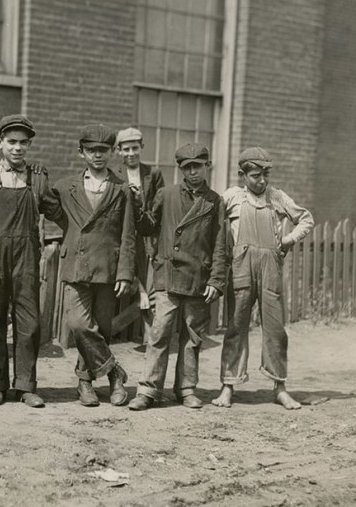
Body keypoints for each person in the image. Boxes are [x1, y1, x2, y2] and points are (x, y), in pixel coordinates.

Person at [212, 147, 314, 410]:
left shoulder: (277, 197)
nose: (262, 181)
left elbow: (306, 219)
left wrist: (289, 240)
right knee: (236, 327)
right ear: (242, 174)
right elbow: (212, 221)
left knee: (275, 329)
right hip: (241, 268)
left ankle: (280, 387)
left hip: (271, 268)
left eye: (265, 175)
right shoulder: (232, 197)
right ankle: (228, 385)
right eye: (256, 175)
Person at [129, 144, 227, 411]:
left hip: (198, 278)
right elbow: (147, 226)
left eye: (198, 166)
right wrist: (138, 205)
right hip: (168, 276)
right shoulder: (167, 194)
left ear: (207, 166)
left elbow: (220, 244)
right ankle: (148, 391)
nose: (193, 172)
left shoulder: (215, 201)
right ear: (181, 169)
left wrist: (217, 280)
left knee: (193, 337)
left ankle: (186, 389)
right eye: (187, 168)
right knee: (159, 334)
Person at [0, 114, 61, 408]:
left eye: (24, 143)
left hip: (26, 258)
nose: (18, 148)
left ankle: (26, 385)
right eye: (11, 142)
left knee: (29, 323)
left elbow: (56, 210)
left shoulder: (37, 177)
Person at [51, 123, 136, 407]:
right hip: (77, 265)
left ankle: (85, 382)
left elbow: (128, 233)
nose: (97, 155)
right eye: (91, 150)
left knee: (101, 327)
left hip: (107, 268)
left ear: (112, 152)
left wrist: (125, 272)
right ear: (81, 153)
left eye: (103, 150)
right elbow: (51, 210)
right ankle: (114, 372)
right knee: (78, 324)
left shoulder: (122, 189)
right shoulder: (65, 187)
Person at [114, 127, 165, 327]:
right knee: (129, 272)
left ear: (141, 147)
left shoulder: (153, 173)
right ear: (119, 151)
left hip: (148, 234)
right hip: (124, 233)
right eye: (126, 149)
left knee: (151, 278)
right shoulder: (115, 174)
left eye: (135, 148)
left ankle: (151, 334)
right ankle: (140, 294)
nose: (131, 153)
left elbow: (160, 203)